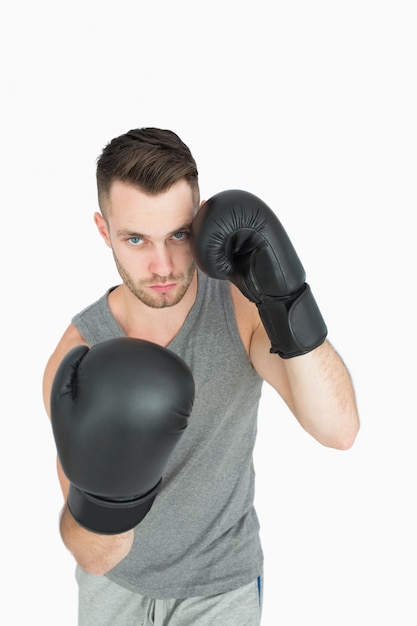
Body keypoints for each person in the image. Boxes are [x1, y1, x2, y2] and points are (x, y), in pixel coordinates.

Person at [42, 127, 360, 626]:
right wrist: (109, 497)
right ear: (104, 232)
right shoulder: (80, 355)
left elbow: (339, 431)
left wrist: (286, 299)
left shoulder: (239, 310)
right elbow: (95, 556)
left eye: (178, 235)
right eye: (136, 240)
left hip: (220, 588)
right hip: (114, 592)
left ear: (201, 219)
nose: (162, 265)